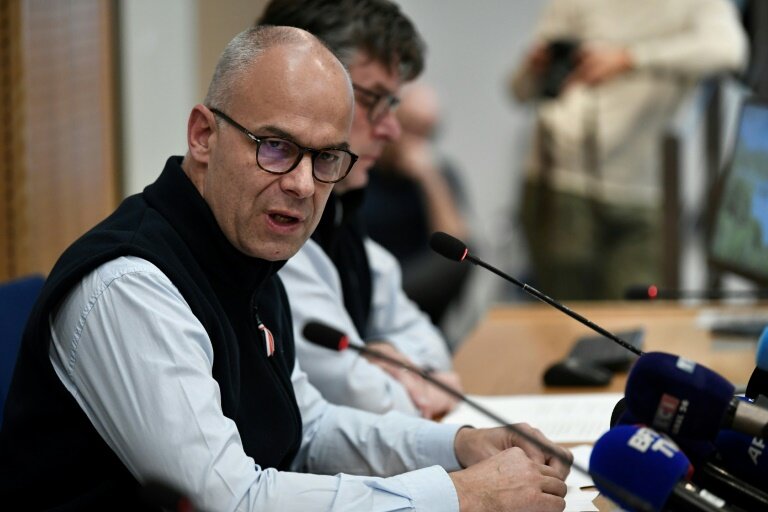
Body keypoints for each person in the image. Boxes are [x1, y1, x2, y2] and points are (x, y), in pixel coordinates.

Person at [0, 25, 572, 511]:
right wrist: (458, 495)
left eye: (326, 157)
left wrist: (457, 446)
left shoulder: (245, 253)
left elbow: (309, 430)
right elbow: (232, 501)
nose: (301, 184)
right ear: (204, 135)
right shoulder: (132, 286)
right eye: (275, 146)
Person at [262, 0, 462, 420]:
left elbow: (430, 345)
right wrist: (403, 377)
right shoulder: (272, 221)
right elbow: (367, 403)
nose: (391, 128)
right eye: (371, 100)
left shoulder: (340, 208)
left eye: (393, 103)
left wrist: (389, 356)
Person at [510, 0, 748, 300]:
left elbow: (730, 51)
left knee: (638, 324)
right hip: (560, 184)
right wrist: (534, 68)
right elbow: (518, 91)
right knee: (565, 325)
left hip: (643, 192)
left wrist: (630, 58)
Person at [362, 81, 473, 339]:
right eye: (408, 127)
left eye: (425, 133)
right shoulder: (361, 171)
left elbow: (457, 247)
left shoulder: (439, 174)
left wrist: (429, 179)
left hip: (418, 294)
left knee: (464, 258)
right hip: (370, 288)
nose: (414, 142)